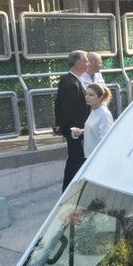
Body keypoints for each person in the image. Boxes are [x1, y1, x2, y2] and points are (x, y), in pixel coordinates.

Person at [54, 50, 90, 190]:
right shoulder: (72, 84)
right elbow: (66, 110)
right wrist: (61, 127)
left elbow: (58, 104)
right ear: (77, 63)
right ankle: (69, 191)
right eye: (85, 60)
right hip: (75, 131)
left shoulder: (70, 79)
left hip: (75, 130)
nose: (88, 63)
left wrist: (58, 125)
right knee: (75, 162)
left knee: (76, 161)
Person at [70, 84, 114, 159]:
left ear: (100, 98)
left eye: (91, 95)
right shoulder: (93, 110)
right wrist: (81, 131)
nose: (87, 97)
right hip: (89, 154)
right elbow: (95, 128)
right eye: (86, 94)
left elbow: (106, 139)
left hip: (98, 157)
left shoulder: (105, 114)